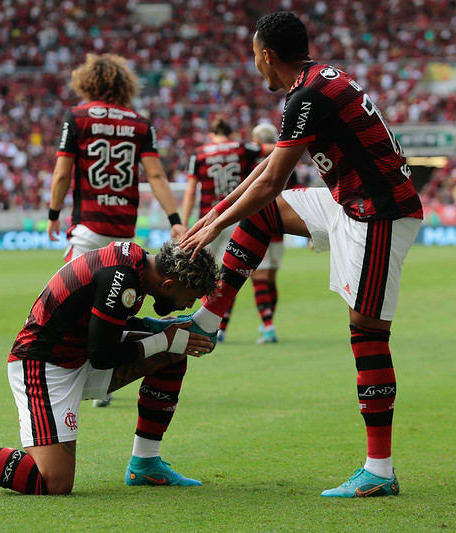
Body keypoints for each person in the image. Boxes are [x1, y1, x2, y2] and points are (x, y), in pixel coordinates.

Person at [178, 12, 423, 497]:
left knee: (368, 333)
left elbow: (273, 179)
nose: (256, 68)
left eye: (254, 58)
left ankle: (379, 470)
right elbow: (271, 166)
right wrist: (216, 214)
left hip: (380, 213)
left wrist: (213, 226)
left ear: (267, 55)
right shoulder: (316, 82)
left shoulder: (307, 95)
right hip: (346, 202)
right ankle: (209, 321)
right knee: (262, 215)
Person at [0, 240, 220, 495]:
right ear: (168, 284)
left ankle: (145, 464)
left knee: (175, 352)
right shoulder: (122, 278)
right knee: (53, 482)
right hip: (43, 366)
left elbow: (108, 327)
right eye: (189, 298)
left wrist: (164, 334)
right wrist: (162, 338)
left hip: (75, 355)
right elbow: (103, 354)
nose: (186, 306)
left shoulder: (134, 265)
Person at [46, 53, 185, 260]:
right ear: (126, 86)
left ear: (87, 83)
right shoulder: (141, 124)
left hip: (88, 228)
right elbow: (156, 176)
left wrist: (53, 215)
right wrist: (175, 220)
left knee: (72, 292)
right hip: (124, 233)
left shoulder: (76, 117)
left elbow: (61, 175)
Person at [180, 116, 272, 341]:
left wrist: (184, 223)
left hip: (209, 221)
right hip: (238, 215)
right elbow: (276, 149)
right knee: (242, 273)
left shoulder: (200, 153)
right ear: (230, 133)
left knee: (209, 275)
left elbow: (191, 190)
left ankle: (211, 327)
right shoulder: (241, 147)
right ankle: (268, 326)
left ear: (211, 134)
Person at [249, 123, 293, 344]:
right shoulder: (286, 158)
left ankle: (268, 326)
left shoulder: (249, 161)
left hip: (259, 224)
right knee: (271, 279)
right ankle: (268, 322)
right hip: (280, 227)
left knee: (258, 279)